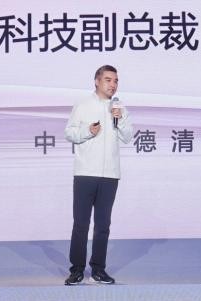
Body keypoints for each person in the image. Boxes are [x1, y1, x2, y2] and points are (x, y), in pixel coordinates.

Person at [64, 65, 133, 285]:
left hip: (110, 175)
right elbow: (69, 132)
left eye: (116, 81)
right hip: (85, 173)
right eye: (108, 80)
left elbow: (128, 136)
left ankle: (98, 270)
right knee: (81, 224)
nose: (113, 84)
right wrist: (88, 131)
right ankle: (76, 270)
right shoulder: (83, 105)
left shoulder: (119, 108)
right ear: (97, 81)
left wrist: (118, 119)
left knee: (103, 226)